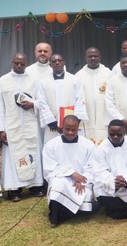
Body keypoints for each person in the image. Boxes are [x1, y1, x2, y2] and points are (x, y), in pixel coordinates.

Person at [0, 53, 44, 201]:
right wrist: (1, 129)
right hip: (11, 124)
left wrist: (33, 104)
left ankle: (34, 186)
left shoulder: (34, 80)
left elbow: (41, 101)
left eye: (22, 64)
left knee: (33, 153)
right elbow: (0, 107)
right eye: (16, 63)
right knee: (13, 155)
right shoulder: (3, 81)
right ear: (12, 62)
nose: (19, 66)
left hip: (30, 123)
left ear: (26, 64)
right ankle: (15, 189)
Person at [42, 115, 96, 227]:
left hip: (82, 182)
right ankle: (55, 217)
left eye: (73, 130)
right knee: (57, 184)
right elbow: (49, 168)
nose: (70, 132)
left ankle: (66, 213)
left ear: (78, 128)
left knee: (86, 203)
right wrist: (71, 173)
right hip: (62, 179)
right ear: (62, 127)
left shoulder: (88, 145)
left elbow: (92, 167)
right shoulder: (51, 145)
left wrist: (81, 181)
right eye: (67, 129)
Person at [90, 120, 127, 219]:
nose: (115, 137)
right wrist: (113, 182)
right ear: (108, 133)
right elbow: (99, 172)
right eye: (112, 134)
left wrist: (126, 179)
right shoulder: (101, 149)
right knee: (100, 189)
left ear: (124, 132)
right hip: (111, 187)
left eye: (119, 134)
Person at [36, 54, 88, 145]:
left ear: (63, 63)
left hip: (72, 125)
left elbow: (80, 100)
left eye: (59, 60)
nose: (57, 63)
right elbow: (42, 102)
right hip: (53, 125)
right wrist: (54, 124)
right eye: (54, 61)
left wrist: (74, 122)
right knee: (53, 148)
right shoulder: (43, 82)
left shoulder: (75, 80)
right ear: (50, 65)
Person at [76, 47, 112, 145]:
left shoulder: (108, 73)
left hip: (104, 116)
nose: (93, 58)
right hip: (87, 117)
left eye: (95, 56)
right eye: (90, 56)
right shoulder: (79, 76)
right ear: (85, 58)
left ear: (100, 57)